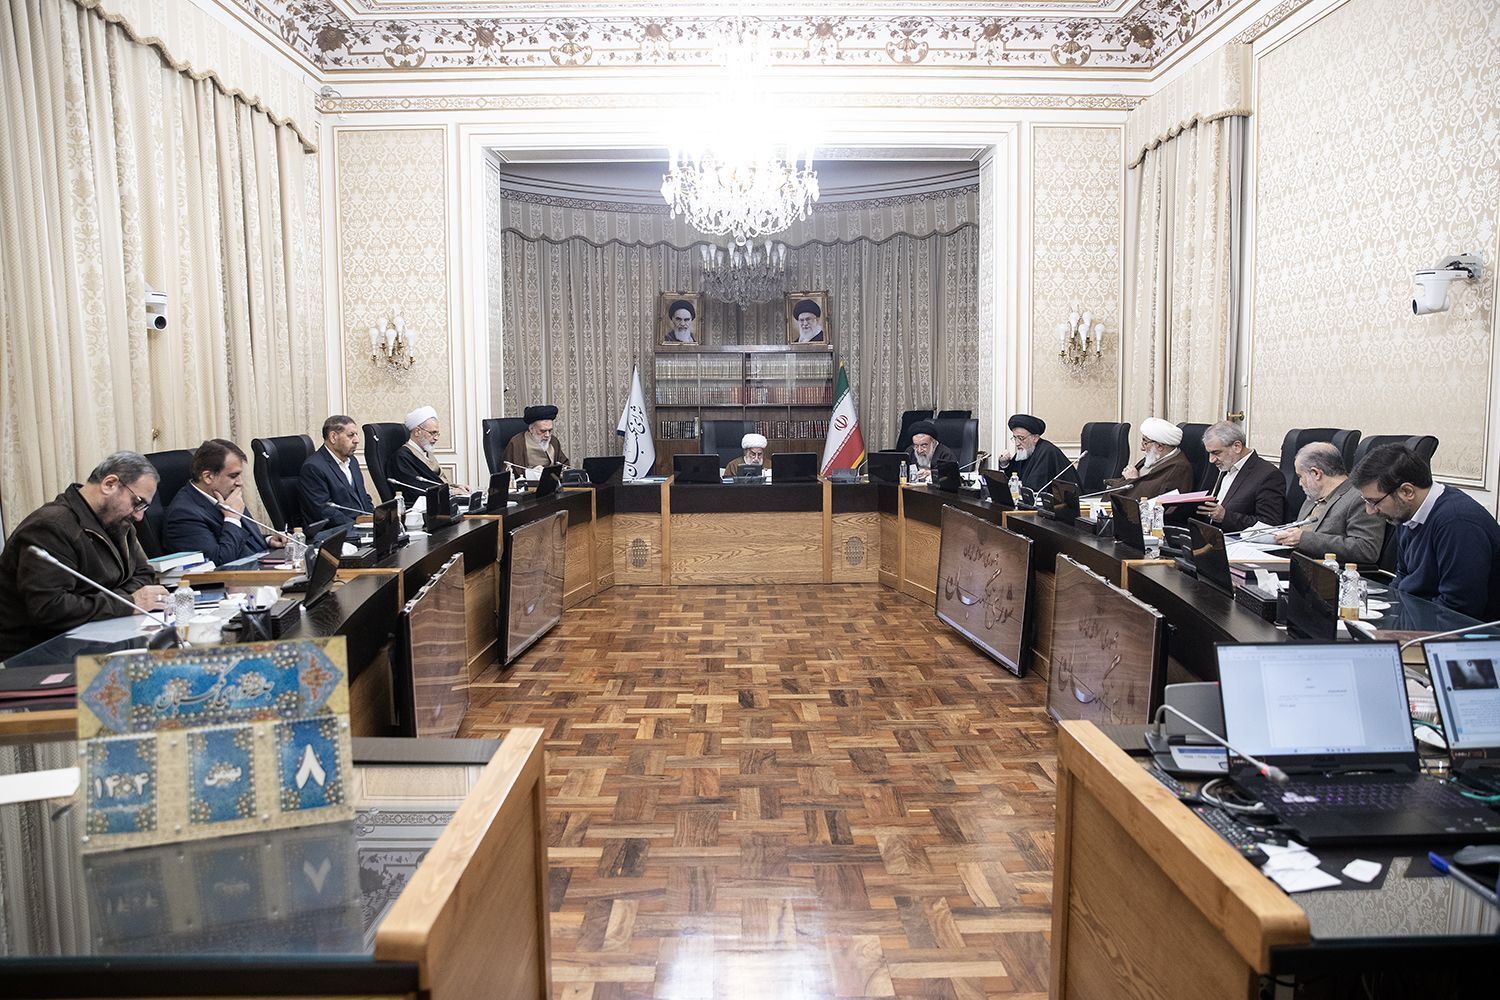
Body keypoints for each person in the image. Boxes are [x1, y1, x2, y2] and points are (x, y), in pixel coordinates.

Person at [0, 452, 170, 659]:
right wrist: (129, 601)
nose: (139, 515)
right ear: (109, 484)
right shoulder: (51, 527)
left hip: (99, 637)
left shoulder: (119, 522)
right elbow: (50, 608)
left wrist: (117, 601)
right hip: (38, 655)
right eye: (138, 502)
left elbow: (144, 574)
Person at [1350, 443, 1500, 620]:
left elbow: (1458, 608)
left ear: (1407, 491)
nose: (1370, 511)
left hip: (1457, 630)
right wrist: (1386, 615)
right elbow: (1403, 578)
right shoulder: (1406, 513)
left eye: (1374, 502)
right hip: (1416, 619)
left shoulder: (1458, 522)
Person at [164, 439, 285, 565]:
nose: (240, 482)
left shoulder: (226, 495)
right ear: (208, 477)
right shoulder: (183, 515)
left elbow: (241, 539)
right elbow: (220, 562)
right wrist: (232, 519)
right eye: (233, 476)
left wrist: (268, 540)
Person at [1272, 442, 1383, 565]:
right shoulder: (1313, 495)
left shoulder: (1359, 498)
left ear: (1316, 473)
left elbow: (1366, 549)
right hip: (1293, 562)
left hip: (1327, 571)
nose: (1299, 483)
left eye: (1300, 476)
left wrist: (1303, 539)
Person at [1193, 420, 1285, 532]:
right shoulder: (1225, 465)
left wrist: (1225, 517)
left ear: (1237, 446)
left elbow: (1269, 524)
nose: (1211, 460)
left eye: (1216, 453)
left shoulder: (1268, 475)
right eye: (1209, 453)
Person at [300, 415, 374, 529]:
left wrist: (374, 519)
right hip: (337, 532)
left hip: (361, 528)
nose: (357, 440)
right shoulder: (313, 467)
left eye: (356, 434)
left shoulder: (352, 461)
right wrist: (358, 527)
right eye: (351, 435)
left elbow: (363, 497)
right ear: (333, 437)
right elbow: (324, 511)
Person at [388, 406, 467, 505]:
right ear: (417, 431)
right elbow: (415, 490)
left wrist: (456, 487)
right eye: (432, 433)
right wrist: (451, 492)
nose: (436, 438)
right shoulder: (402, 457)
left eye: (437, 433)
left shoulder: (426, 452)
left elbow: (436, 482)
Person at [1109, 418, 1193, 499]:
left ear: (1160, 446)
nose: (1142, 448)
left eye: (1145, 442)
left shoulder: (1179, 468)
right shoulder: (1154, 457)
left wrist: (1132, 480)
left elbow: (1153, 497)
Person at [994, 414, 1074, 492]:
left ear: (1035, 438)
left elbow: (1034, 488)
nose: (1017, 443)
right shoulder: (1025, 451)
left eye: (1021, 438)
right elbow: (1012, 477)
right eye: (1015, 438)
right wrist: (1004, 464)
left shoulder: (1046, 452)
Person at [502, 405, 570, 472]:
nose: (547, 435)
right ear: (531, 429)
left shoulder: (553, 441)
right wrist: (531, 472)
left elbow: (564, 465)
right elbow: (507, 471)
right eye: (542, 431)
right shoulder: (517, 443)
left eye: (550, 430)